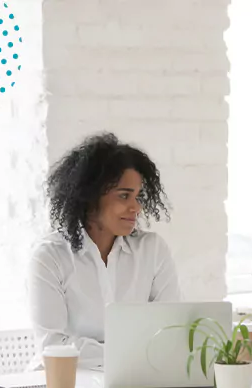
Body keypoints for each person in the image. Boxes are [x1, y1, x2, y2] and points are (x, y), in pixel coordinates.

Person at [28, 133, 181, 369]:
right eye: (123, 195)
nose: (136, 207)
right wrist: (133, 352)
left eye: (138, 196)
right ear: (89, 197)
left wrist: (134, 354)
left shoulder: (152, 250)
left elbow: (169, 330)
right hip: (65, 384)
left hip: (136, 377)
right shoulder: (50, 257)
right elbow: (53, 345)